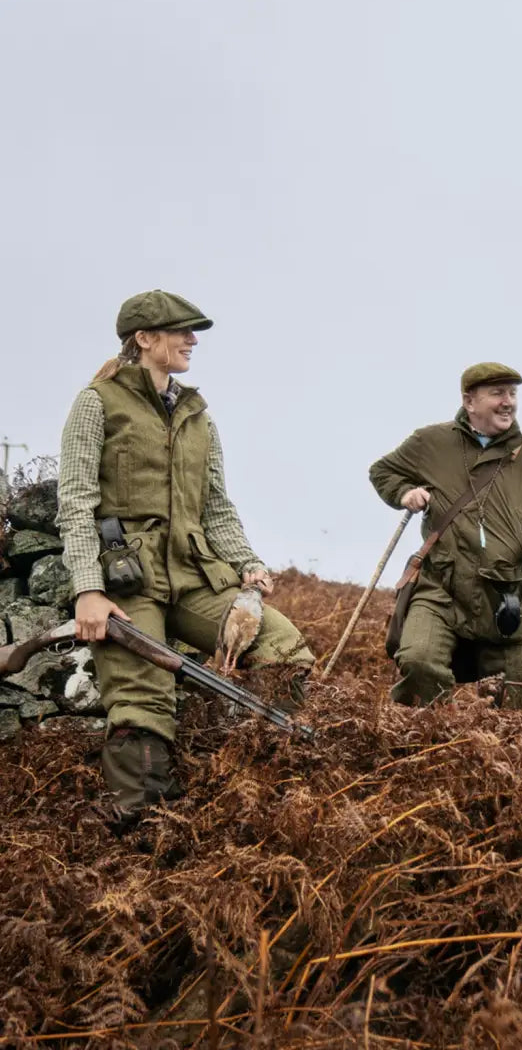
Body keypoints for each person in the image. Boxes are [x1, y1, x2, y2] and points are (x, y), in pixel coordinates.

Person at [57, 289, 314, 826]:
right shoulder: (96, 401)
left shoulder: (198, 414)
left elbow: (216, 506)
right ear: (144, 339)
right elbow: (76, 503)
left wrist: (248, 561)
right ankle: (145, 820)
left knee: (282, 644)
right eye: (181, 331)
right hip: (128, 582)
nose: (192, 340)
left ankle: (267, 782)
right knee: (141, 693)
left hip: (197, 576)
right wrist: (88, 589)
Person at [369, 363, 522, 708]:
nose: (507, 402)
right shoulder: (430, 442)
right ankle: (425, 746)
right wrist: (405, 493)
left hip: (504, 602)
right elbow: (383, 471)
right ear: (470, 402)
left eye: (512, 393)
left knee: (511, 715)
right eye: (497, 393)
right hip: (439, 591)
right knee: (418, 662)